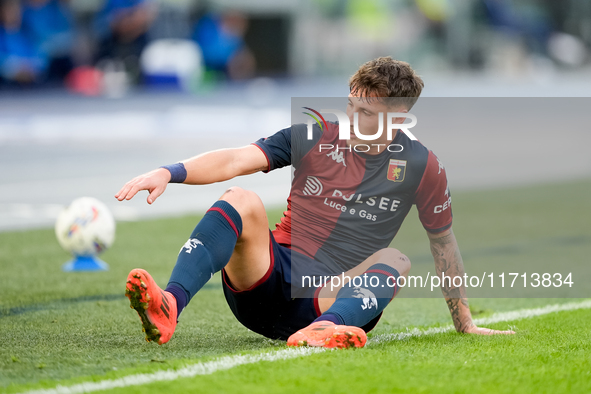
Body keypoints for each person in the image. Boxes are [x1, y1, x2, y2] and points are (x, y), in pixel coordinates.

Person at [116, 57, 514, 349]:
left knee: (396, 260)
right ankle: (168, 305)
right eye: (352, 106)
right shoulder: (316, 135)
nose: (355, 119)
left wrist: (464, 323)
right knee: (241, 198)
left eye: (369, 114)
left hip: (328, 298)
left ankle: (324, 331)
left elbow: (443, 242)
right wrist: (170, 171)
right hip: (263, 284)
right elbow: (237, 159)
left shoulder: (421, 166)